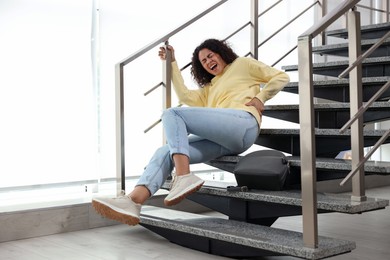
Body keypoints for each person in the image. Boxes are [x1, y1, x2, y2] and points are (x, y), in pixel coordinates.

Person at [92, 38, 290, 226]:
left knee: (172, 114)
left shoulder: (242, 64)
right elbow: (184, 95)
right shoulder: (210, 88)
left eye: (211, 55)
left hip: (243, 123)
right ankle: (134, 201)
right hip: (223, 140)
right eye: (203, 61)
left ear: (221, 53)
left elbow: (281, 76)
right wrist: (172, 63)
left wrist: (261, 97)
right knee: (164, 151)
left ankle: (184, 176)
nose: (208, 61)